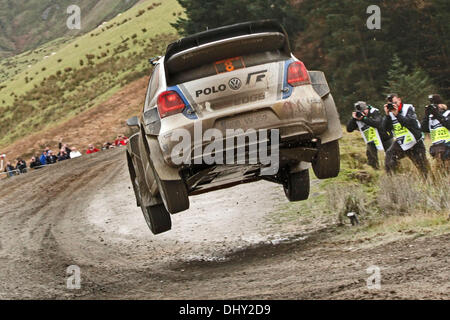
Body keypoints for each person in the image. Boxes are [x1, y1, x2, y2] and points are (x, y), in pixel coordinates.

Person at [382, 93, 430, 177]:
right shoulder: (390, 113)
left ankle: (429, 183)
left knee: (423, 168)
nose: (394, 105)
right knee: (389, 156)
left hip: (415, 142)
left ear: (399, 100)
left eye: (395, 102)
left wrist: (397, 114)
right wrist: (387, 115)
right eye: (391, 104)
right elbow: (385, 128)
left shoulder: (408, 108)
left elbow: (410, 123)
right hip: (401, 142)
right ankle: (393, 179)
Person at [346, 101, 393, 169]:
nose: (363, 113)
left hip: (385, 137)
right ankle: (375, 170)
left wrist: (364, 118)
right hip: (371, 139)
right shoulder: (358, 116)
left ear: (367, 109)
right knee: (371, 157)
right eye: (361, 112)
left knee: (391, 156)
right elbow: (349, 129)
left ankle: (394, 170)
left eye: (364, 111)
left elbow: (377, 123)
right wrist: (353, 119)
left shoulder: (374, 112)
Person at [421, 94, 449, 167]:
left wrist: (437, 114)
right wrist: (426, 115)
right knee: (440, 170)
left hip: (448, 144)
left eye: (436, 105)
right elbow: (424, 129)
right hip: (437, 147)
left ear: (441, 105)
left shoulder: (448, 113)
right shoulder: (430, 117)